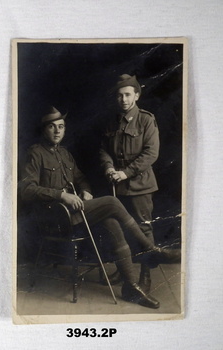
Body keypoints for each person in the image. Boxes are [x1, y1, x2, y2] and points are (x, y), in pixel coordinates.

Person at [19, 106, 180, 309]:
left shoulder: (65, 154)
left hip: (74, 214)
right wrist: (62, 195)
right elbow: (26, 190)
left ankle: (130, 288)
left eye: (61, 126)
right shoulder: (35, 154)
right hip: (53, 218)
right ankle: (150, 250)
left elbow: (81, 178)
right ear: (44, 130)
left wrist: (85, 191)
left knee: (112, 221)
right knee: (112, 203)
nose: (57, 131)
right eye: (52, 127)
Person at [100, 74, 160, 293]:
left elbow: (151, 153)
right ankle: (125, 272)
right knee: (119, 232)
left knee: (144, 230)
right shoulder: (111, 121)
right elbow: (104, 149)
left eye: (127, 94)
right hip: (117, 186)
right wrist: (108, 167)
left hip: (140, 185)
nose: (123, 99)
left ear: (136, 95)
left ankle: (145, 275)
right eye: (119, 95)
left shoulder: (146, 120)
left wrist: (125, 173)